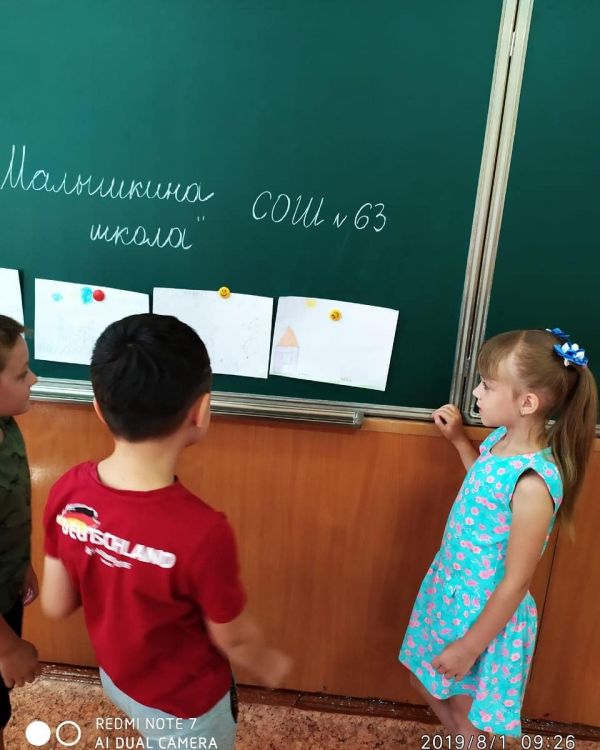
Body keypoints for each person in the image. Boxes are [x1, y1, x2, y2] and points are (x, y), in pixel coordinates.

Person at [41, 313, 292, 750]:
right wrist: (266, 660)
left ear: (98, 408)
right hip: (188, 708)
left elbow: (56, 603)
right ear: (201, 412)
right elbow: (231, 635)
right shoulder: (203, 532)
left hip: (119, 680)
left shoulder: (69, 491)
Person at [399, 328, 598, 742]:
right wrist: (459, 442)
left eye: (487, 386)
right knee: (425, 679)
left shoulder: (533, 483)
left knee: (465, 712)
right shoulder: (499, 441)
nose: (476, 393)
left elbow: (516, 582)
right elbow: (486, 490)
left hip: (483, 614)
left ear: (527, 403)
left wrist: (469, 647)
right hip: (451, 594)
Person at [0, 315, 41, 750]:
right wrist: (8, 647)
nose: (33, 379)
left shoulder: (7, 426)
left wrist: (20, 562)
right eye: (21, 373)